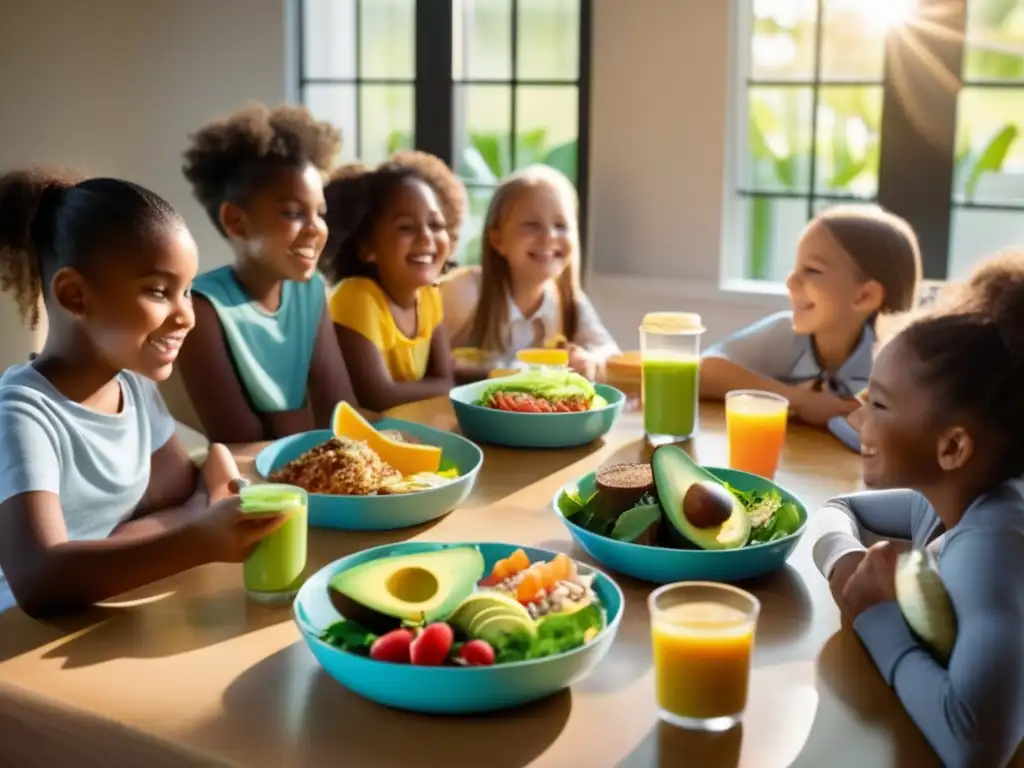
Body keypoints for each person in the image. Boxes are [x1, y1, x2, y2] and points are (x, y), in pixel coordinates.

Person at [0, 169, 290, 617]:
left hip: (103, 616)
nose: (187, 316)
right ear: (75, 295)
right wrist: (198, 537)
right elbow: (39, 578)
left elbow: (179, 497)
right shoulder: (23, 413)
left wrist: (200, 504)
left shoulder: (132, 383)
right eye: (159, 291)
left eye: (188, 291)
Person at [811, 252, 1024, 767]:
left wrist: (876, 616)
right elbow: (835, 509)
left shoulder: (991, 545)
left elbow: (976, 746)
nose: (859, 419)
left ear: (953, 448)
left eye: (880, 406)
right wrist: (845, 565)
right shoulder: (943, 495)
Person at [177, 102, 360, 442]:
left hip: (306, 467)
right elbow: (241, 438)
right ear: (236, 221)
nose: (315, 229)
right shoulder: (202, 308)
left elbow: (339, 409)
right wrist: (297, 416)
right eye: (293, 213)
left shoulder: (311, 291)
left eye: (319, 212)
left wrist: (286, 419)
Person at [701, 204, 921, 448]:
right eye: (796, 268)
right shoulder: (787, 334)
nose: (791, 281)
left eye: (812, 270)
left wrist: (835, 413)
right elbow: (702, 371)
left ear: (864, 296)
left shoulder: (895, 360)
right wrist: (801, 400)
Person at [439, 165, 619, 381]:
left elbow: (609, 352)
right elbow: (421, 362)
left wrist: (590, 359)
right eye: (532, 225)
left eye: (561, 225)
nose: (549, 236)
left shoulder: (569, 302)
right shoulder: (467, 292)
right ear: (498, 240)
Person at [320, 155, 459, 411]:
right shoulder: (356, 297)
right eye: (406, 227)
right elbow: (378, 396)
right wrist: (445, 384)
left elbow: (445, 377)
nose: (426, 237)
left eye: (436, 224)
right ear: (367, 248)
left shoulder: (429, 296)